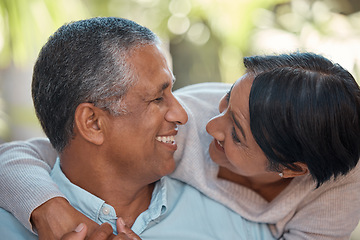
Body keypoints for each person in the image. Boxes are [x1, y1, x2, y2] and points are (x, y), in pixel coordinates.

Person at [1, 22, 360, 240]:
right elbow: (48, 148)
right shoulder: (202, 114)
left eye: (237, 134)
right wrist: (46, 208)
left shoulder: (331, 194)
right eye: (159, 96)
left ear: (294, 169)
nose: (190, 118)